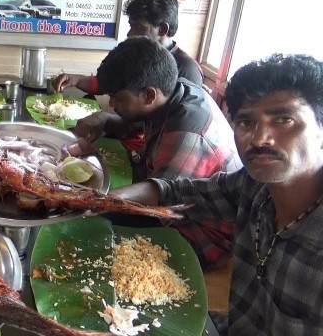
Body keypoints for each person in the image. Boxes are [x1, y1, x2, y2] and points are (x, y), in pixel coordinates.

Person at [108, 53, 323, 335]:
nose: (259, 139)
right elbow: (175, 191)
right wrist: (100, 200)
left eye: (283, 119)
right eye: (246, 123)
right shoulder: (254, 186)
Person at [71, 37, 241, 268]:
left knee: (84, 228)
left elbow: (158, 202)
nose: (111, 104)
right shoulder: (174, 90)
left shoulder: (187, 133)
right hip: (171, 198)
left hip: (202, 234)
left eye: (118, 98)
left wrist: (97, 202)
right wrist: (103, 119)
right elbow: (132, 123)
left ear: (149, 95)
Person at [53, 0, 203, 94]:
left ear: (162, 30)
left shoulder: (188, 70)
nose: (130, 34)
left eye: (138, 27)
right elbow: (108, 83)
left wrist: (116, 123)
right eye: (131, 26)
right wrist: (77, 80)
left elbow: (180, 123)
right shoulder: (136, 54)